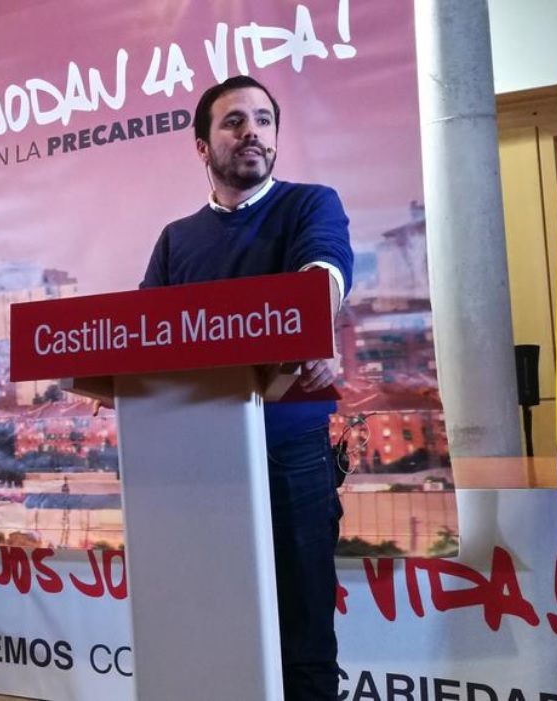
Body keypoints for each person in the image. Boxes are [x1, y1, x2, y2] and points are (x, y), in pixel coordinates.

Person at [140, 75, 353, 700]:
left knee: (305, 627)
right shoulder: (176, 240)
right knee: (215, 620)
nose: (252, 132)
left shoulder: (310, 203)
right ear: (202, 145)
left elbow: (325, 270)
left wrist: (315, 323)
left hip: (293, 451)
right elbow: (142, 338)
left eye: (264, 120)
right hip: (201, 458)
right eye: (234, 121)